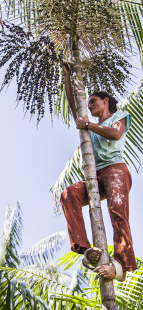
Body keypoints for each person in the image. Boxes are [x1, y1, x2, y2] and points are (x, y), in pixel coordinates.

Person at [60, 64, 137, 281]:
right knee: (68, 194)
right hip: (96, 176)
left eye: (94, 101)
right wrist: (67, 77)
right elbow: (75, 106)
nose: (90, 105)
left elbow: (115, 134)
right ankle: (86, 249)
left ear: (106, 102)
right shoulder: (88, 128)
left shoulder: (118, 117)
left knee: (117, 212)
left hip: (116, 171)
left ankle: (120, 267)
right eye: (89, 103)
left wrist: (88, 125)